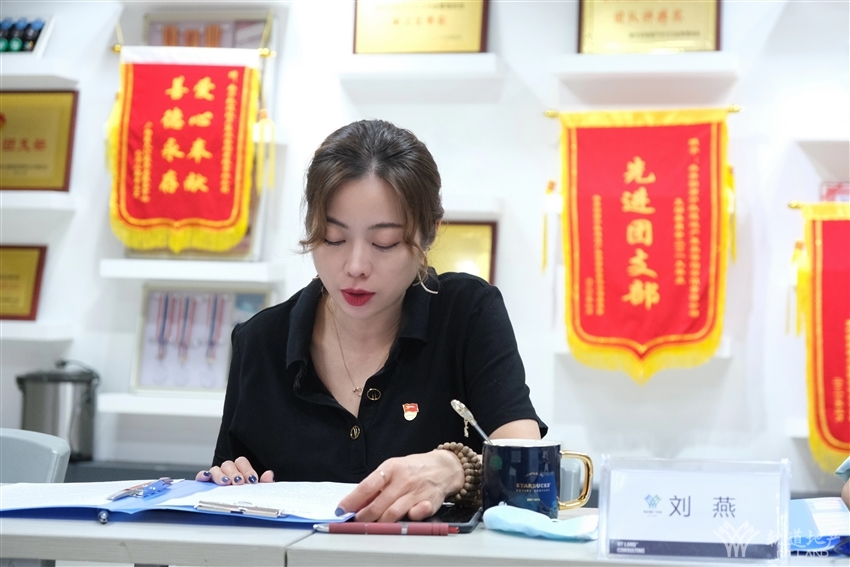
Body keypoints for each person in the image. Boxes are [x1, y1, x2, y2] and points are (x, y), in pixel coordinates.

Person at [196, 119, 546, 522]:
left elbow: (529, 469)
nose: (356, 266)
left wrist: (455, 468)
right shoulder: (261, 340)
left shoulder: (466, 313)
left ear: (428, 234)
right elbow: (226, 492)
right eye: (333, 239)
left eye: (385, 243)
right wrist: (228, 480)